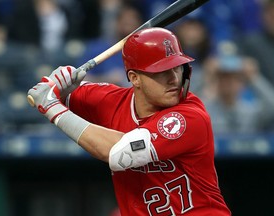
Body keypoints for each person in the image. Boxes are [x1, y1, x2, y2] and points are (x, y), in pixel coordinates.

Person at [28, 27, 231, 215]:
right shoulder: (110, 100)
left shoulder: (190, 116)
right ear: (135, 78)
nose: (174, 79)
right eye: (161, 71)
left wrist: (53, 108)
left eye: (177, 68)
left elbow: (119, 153)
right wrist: (59, 83)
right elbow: (44, 95)